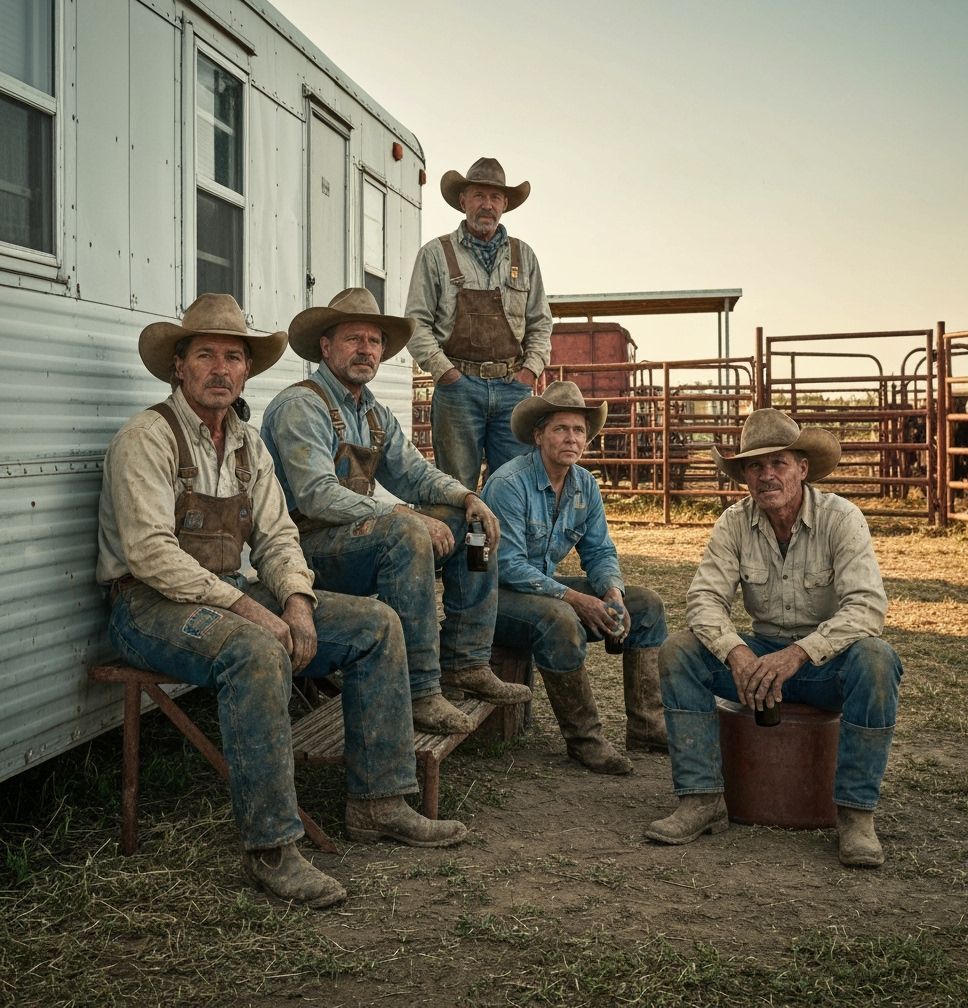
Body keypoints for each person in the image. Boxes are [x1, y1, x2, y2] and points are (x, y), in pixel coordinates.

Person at [97, 294, 467, 909]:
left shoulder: (248, 445)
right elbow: (151, 556)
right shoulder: (146, 438)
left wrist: (296, 599)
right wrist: (254, 612)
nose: (221, 368)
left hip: (227, 593)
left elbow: (277, 536)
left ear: (247, 371)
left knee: (376, 624)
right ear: (179, 367)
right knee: (256, 651)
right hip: (148, 608)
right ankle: (271, 848)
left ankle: (378, 801)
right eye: (207, 354)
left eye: (234, 357)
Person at [261, 287, 531, 737]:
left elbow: (415, 473)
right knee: (403, 532)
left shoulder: (372, 413)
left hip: (355, 542)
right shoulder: (301, 405)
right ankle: (419, 689)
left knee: (473, 529)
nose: (365, 350)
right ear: (325, 347)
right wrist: (402, 517)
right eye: (353, 339)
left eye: (374, 341)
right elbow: (316, 497)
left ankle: (466, 661)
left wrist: (467, 497)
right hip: (303, 552)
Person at [645, 408, 903, 867]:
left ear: (802, 468)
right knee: (679, 651)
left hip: (827, 661)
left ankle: (856, 815)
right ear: (744, 476)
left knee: (877, 659)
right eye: (754, 466)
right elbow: (704, 600)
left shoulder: (842, 518)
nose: (767, 476)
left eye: (778, 463)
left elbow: (866, 607)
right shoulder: (733, 522)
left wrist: (800, 653)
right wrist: (738, 652)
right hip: (760, 656)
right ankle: (701, 800)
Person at [481, 382, 669, 775]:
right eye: (560, 429)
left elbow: (599, 551)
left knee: (646, 605)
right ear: (538, 436)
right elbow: (510, 566)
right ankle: (585, 740)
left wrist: (611, 592)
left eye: (579, 430)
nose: (572, 438)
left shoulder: (585, 484)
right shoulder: (508, 484)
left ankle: (648, 727)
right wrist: (578, 600)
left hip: (543, 591)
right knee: (560, 619)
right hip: (494, 598)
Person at [404, 156, 553, 489]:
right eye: (479, 196)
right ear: (463, 201)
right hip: (458, 388)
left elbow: (541, 324)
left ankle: (506, 544)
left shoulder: (524, 256)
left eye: (495, 197)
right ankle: (461, 544)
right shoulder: (435, 254)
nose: (487, 205)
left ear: (505, 205)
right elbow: (416, 322)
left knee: (515, 486)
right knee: (455, 488)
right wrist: (446, 373)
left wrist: (529, 371)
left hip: (512, 386)